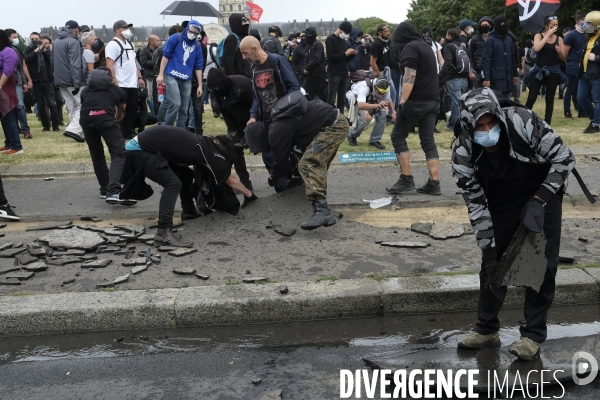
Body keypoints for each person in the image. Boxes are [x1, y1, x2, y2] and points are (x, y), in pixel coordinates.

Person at [451, 88, 575, 361]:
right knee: (493, 265)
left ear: (498, 116)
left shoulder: (522, 122)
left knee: (540, 261)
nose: (487, 130)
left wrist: (539, 200)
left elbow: (564, 158)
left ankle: (532, 335)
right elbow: (476, 205)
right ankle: (486, 330)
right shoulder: (462, 151)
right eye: (479, 126)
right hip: (500, 197)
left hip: (542, 188)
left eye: (490, 123)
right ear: (469, 127)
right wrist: (488, 251)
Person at [122, 126, 256, 247]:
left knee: (186, 175)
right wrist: (248, 194)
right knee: (173, 184)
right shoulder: (209, 150)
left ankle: (189, 211)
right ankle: (163, 232)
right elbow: (229, 179)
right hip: (139, 150)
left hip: (144, 146)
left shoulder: (201, 144)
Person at [263, 95, 350, 230]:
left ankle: (322, 211)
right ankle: (320, 205)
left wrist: (273, 178)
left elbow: (280, 162)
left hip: (334, 126)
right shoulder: (281, 124)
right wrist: (295, 178)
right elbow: (294, 154)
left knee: (309, 163)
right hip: (331, 122)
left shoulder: (277, 130)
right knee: (314, 163)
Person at [386, 22, 441, 196]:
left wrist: (402, 101)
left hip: (416, 101)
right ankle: (434, 183)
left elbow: (410, 75)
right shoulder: (425, 46)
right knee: (428, 141)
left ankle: (406, 179)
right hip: (433, 100)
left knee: (397, 135)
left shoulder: (409, 48)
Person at [240, 36, 300, 173]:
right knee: (267, 155)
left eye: (245, 53)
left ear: (254, 49)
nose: (243, 57)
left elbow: (294, 88)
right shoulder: (253, 68)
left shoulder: (277, 61)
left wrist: (285, 110)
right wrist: (253, 115)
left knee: (284, 154)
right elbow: (256, 95)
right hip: (266, 119)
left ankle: (290, 185)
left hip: (283, 118)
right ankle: (280, 188)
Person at [80, 67, 136, 205]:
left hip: (86, 119)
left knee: (97, 155)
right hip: (106, 119)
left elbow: (84, 105)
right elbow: (121, 113)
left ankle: (105, 189)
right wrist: (114, 121)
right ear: (109, 78)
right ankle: (114, 191)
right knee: (118, 154)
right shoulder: (117, 90)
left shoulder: (85, 90)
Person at [206, 68, 253, 191]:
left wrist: (250, 128)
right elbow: (224, 111)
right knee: (236, 150)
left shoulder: (241, 84)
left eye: (216, 87)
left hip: (252, 119)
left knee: (264, 147)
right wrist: (233, 131)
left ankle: (278, 177)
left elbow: (255, 105)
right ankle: (245, 182)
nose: (216, 90)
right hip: (235, 121)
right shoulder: (218, 92)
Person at [105, 20, 145, 139]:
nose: (127, 30)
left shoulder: (130, 44)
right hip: (121, 81)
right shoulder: (113, 45)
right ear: (117, 30)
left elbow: (134, 62)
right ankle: (117, 131)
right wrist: (113, 78)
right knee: (121, 108)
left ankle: (128, 131)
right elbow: (109, 63)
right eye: (124, 28)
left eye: (128, 28)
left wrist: (139, 77)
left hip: (132, 82)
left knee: (132, 108)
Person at [524, 16, 565, 125]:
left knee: (550, 97)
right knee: (532, 96)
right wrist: (547, 35)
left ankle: (548, 121)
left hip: (553, 70)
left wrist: (560, 51)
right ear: (546, 26)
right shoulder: (539, 35)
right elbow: (536, 48)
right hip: (539, 69)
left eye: (556, 25)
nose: (555, 27)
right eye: (552, 25)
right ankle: (524, 117)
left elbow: (564, 58)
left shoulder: (559, 39)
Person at [53, 20, 85, 142]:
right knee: (83, 105)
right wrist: (77, 82)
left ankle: (77, 132)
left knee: (71, 106)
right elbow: (75, 63)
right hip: (72, 79)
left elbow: (52, 61)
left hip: (60, 80)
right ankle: (74, 129)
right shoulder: (73, 41)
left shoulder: (56, 41)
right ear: (75, 29)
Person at [24, 32, 60, 132]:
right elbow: (26, 60)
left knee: (52, 104)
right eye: (32, 39)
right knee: (41, 105)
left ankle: (55, 125)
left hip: (48, 81)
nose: (35, 41)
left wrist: (44, 50)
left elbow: (51, 60)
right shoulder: (28, 49)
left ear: (40, 39)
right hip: (36, 81)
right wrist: (36, 51)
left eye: (36, 39)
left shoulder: (46, 50)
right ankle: (46, 125)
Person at [347, 77, 395, 149]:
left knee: (384, 110)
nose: (382, 94)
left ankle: (375, 139)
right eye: (380, 92)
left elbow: (388, 100)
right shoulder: (363, 87)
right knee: (368, 118)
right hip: (356, 100)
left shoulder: (385, 87)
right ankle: (352, 135)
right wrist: (377, 105)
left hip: (371, 99)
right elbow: (360, 105)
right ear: (375, 87)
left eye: (384, 93)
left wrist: (394, 112)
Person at [481, 16, 518, 100]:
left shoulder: (509, 39)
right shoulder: (491, 40)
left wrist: (515, 74)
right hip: (496, 77)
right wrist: (486, 78)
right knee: (495, 101)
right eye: (502, 24)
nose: (504, 27)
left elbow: (512, 58)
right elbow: (486, 60)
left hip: (508, 76)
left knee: (507, 101)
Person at [5, 29, 33, 140]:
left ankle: (26, 130)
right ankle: (14, 130)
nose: (15, 39)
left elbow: (20, 67)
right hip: (6, 83)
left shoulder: (15, 50)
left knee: (20, 106)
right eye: (13, 37)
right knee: (9, 108)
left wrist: (24, 82)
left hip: (16, 82)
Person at [0, 29, 24, 154]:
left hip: (5, 86)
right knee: (4, 117)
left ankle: (16, 146)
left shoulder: (8, 52)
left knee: (8, 115)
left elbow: (7, 71)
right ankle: (9, 143)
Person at [442, 28, 470, 131]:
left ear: (449, 35)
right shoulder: (463, 47)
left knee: (455, 103)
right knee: (461, 102)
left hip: (454, 78)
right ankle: (462, 122)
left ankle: (453, 125)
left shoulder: (449, 47)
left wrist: (442, 75)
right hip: (464, 78)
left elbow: (448, 62)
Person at [326, 21, 354, 116]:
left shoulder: (343, 41)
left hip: (343, 72)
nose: (346, 35)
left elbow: (343, 58)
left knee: (342, 99)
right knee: (332, 98)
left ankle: (340, 118)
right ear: (341, 30)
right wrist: (345, 54)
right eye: (346, 33)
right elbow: (331, 57)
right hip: (334, 73)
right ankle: (329, 117)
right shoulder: (330, 39)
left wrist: (351, 55)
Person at [578, 11, 600, 134]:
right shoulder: (589, 37)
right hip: (585, 73)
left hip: (596, 73)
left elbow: (594, 56)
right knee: (581, 98)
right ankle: (594, 120)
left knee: (597, 100)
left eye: (590, 23)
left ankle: (596, 125)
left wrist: (596, 58)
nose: (587, 26)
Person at [562, 13, 587, 119]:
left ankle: (582, 111)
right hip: (573, 64)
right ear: (581, 22)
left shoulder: (587, 33)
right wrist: (570, 62)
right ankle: (567, 111)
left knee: (582, 89)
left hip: (584, 64)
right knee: (571, 89)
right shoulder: (571, 35)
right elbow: (565, 53)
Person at [303, 27, 327, 102]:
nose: (306, 36)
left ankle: (331, 110)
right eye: (305, 34)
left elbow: (317, 59)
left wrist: (307, 68)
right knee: (308, 95)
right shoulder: (307, 46)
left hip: (319, 75)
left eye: (308, 34)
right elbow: (306, 59)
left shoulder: (318, 45)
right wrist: (304, 68)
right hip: (310, 75)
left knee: (323, 95)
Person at [469, 17, 494, 88]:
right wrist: (472, 69)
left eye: (486, 25)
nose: (484, 27)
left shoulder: (494, 38)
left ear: (490, 25)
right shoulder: (475, 39)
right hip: (478, 70)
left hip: (491, 69)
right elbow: (470, 55)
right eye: (482, 25)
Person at [139, 35, 161, 116]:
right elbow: (144, 63)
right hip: (150, 77)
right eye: (157, 41)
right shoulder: (144, 50)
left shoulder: (161, 50)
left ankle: (159, 114)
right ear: (151, 42)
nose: (159, 42)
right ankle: (154, 114)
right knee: (150, 97)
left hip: (159, 76)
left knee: (159, 96)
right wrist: (156, 62)